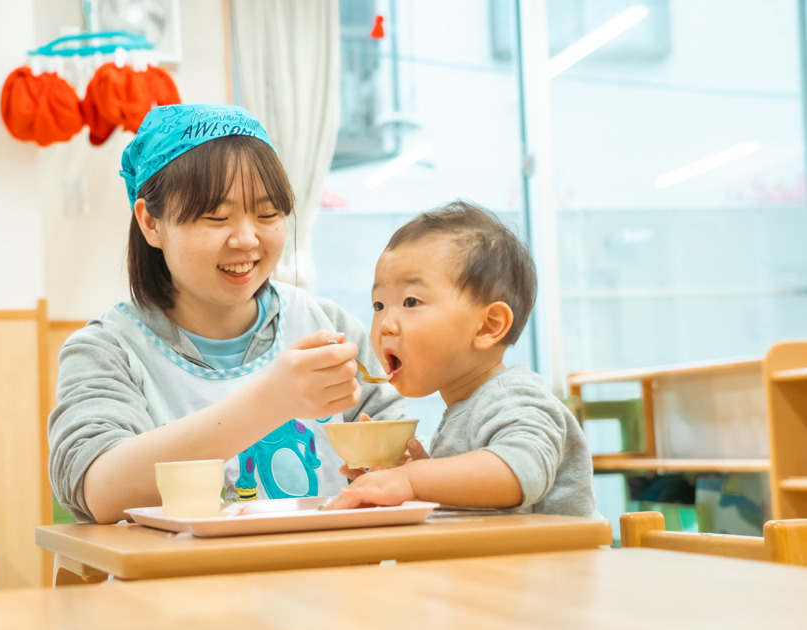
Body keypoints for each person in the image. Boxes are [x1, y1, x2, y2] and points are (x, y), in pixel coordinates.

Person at [48, 103, 405, 524]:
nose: (246, 239)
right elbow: (99, 490)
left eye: (268, 213)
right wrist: (274, 400)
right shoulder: (109, 350)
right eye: (216, 216)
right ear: (151, 223)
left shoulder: (331, 329)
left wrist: (401, 468)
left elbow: (399, 460)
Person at [327, 200, 596, 517]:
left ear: (488, 326)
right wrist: (403, 475)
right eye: (379, 305)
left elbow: (522, 471)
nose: (385, 324)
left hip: (560, 551)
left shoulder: (514, 396)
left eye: (411, 301)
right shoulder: (464, 408)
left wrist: (412, 480)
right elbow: (478, 504)